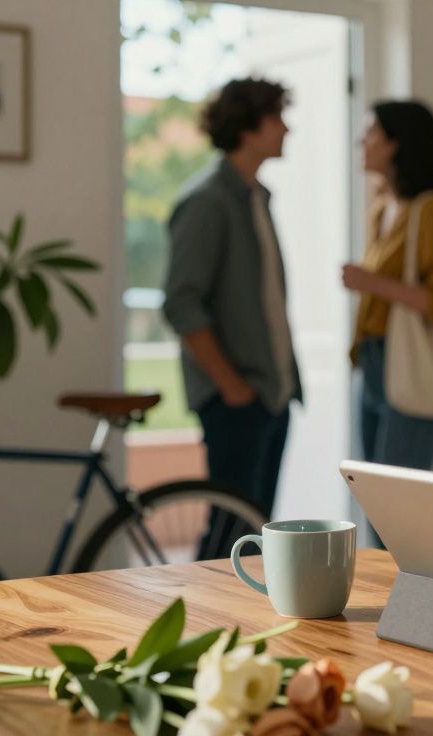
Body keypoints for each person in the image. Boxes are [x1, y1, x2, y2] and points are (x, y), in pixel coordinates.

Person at [163, 77, 300, 559]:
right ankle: (202, 630)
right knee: (227, 536)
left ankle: (243, 632)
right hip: (236, 396)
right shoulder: (207, 202)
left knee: (255, 532)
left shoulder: (255, 197)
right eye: (277, 117)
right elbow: (181, 304)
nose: (286, 128)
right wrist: (231, 385)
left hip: (269, 395)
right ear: (249, 127)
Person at [342, 100, 433, 480]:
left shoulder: (431, 211)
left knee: (397, 502)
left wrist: (372, 284)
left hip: (409, 363)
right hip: (374, 360)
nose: (360, 141)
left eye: (370, 133)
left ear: (396, 144)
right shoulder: (382, 209)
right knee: (372, 492)